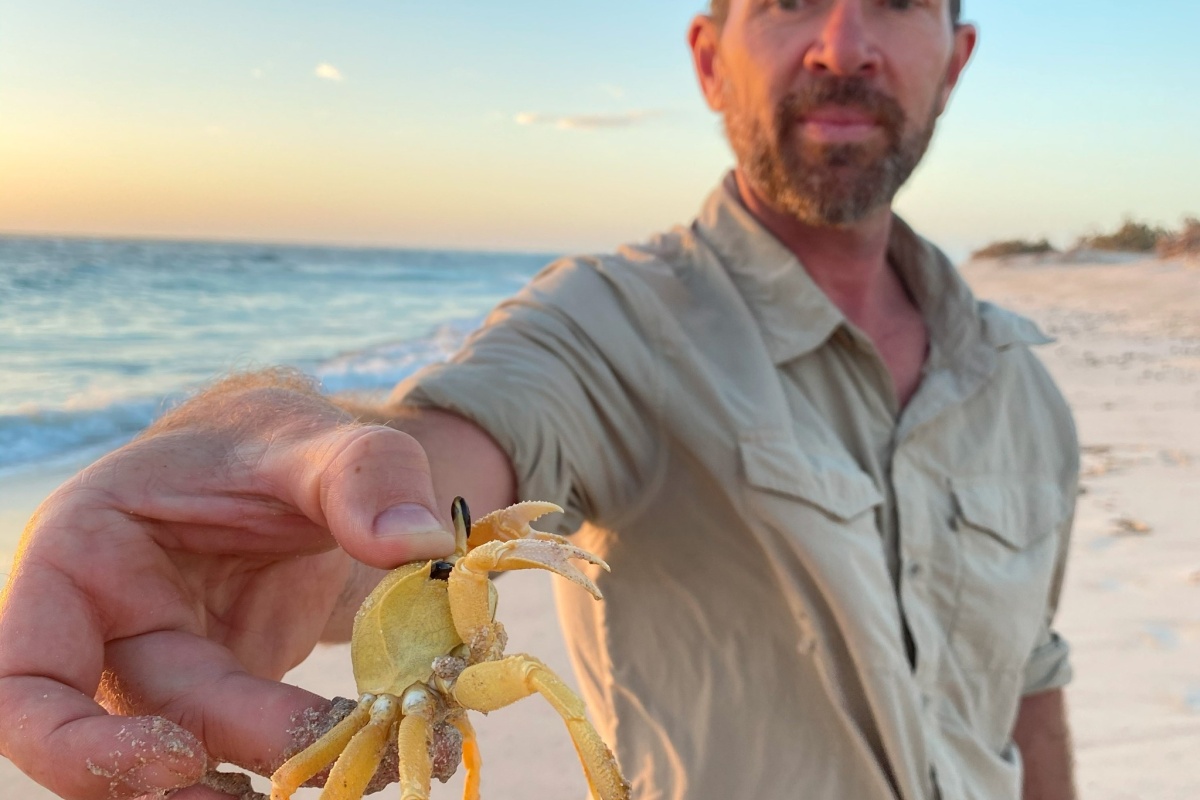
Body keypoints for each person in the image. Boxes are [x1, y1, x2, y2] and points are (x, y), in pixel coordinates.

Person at [0, 1, 1080, 798]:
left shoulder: (1026, 393)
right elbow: (454, 456)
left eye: (894, 2)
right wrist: (291, 488)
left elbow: (1027, 689)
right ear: (708, 60)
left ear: (957, 60)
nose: (842, 44)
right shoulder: (612, 325)